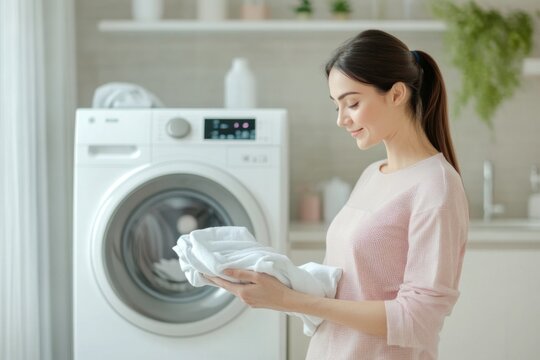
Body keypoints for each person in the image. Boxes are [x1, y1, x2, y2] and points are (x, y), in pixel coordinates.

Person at [207, 29, 469, 360]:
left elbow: (419, 319)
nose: (341, 120)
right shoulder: (372, 174)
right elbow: (350, 285)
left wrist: (291, 301)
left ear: (397, 94)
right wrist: (278, 282)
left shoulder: (436, 186)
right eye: (337, 106)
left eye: (353, 103)